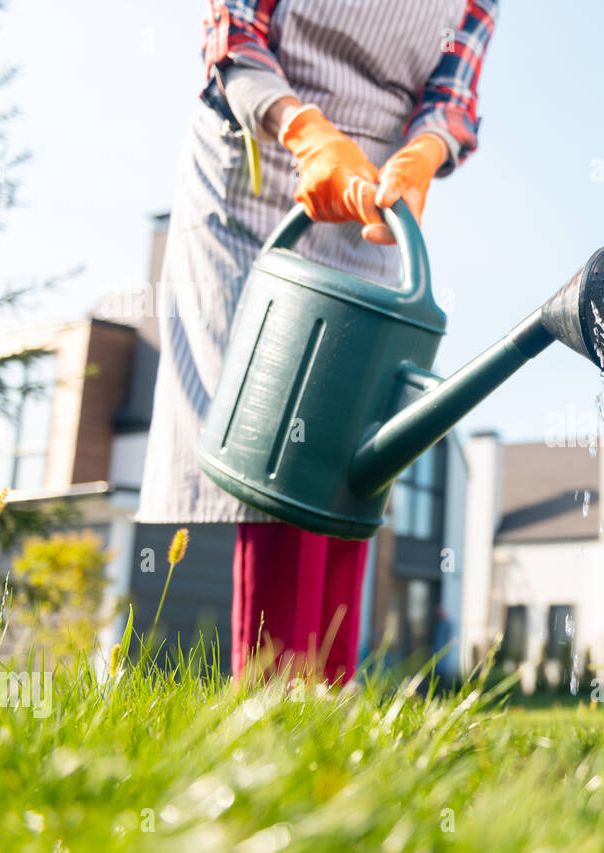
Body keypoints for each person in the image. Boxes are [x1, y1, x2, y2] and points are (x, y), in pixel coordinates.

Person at [137, 1, 498, 685]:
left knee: (352, 446)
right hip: (257, 169)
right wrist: (307, 132)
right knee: (273, 435)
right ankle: (274, 700)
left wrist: (423, 154)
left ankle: (327, 698)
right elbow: (233, 34)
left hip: (375, 200)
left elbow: (453, 97)